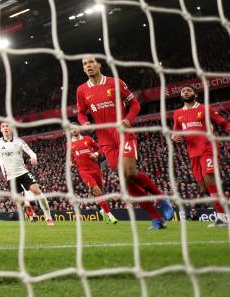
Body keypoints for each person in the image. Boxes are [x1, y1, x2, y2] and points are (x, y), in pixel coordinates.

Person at [76, 56, 173, 229]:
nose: (88, 66)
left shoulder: (115, 83)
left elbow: (135, 104)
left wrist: (128, 119)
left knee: (128, 172)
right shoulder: (82, 90)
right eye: (84, 64)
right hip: (105, 140)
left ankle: (161, 196)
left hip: (123, 133)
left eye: (91, 62)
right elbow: (81, 113)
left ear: (99, 64)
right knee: (126, 180)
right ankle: (156, 218)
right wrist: (84, 123)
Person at [171, 85, 230, 227]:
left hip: (208, 147)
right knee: (204, 188)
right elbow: (176, 131)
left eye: (189, 90)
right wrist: (174, 136)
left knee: (209, 179)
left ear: (196, 94)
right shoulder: (177, 113)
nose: (185, 92)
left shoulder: (205, 108)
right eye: (183, 91)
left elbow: (223, 123)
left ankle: (223, 217)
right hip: (192, 152)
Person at [0, 122, 54, 225]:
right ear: (1, 130)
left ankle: (48, 217)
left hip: (22, 172)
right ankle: (28, 209)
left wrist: (33, 157)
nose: (5, 128)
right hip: (10, 177)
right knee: (19, 201)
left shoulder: (19, 141)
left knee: (37, 191)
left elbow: (31, 152)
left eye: (7, 126)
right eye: (3, 126)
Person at [70, 127, 118, 224]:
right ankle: (110, 215)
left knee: (100, 192)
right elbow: (71, 157)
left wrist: (96, 153)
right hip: (83, 171)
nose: (73, 130)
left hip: (96, 169)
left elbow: (100, 149)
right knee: (96, 190)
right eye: (71, 129)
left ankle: (102, 210)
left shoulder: (88, 139)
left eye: (75, 128)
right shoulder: (69, 144)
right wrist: (71, 162)